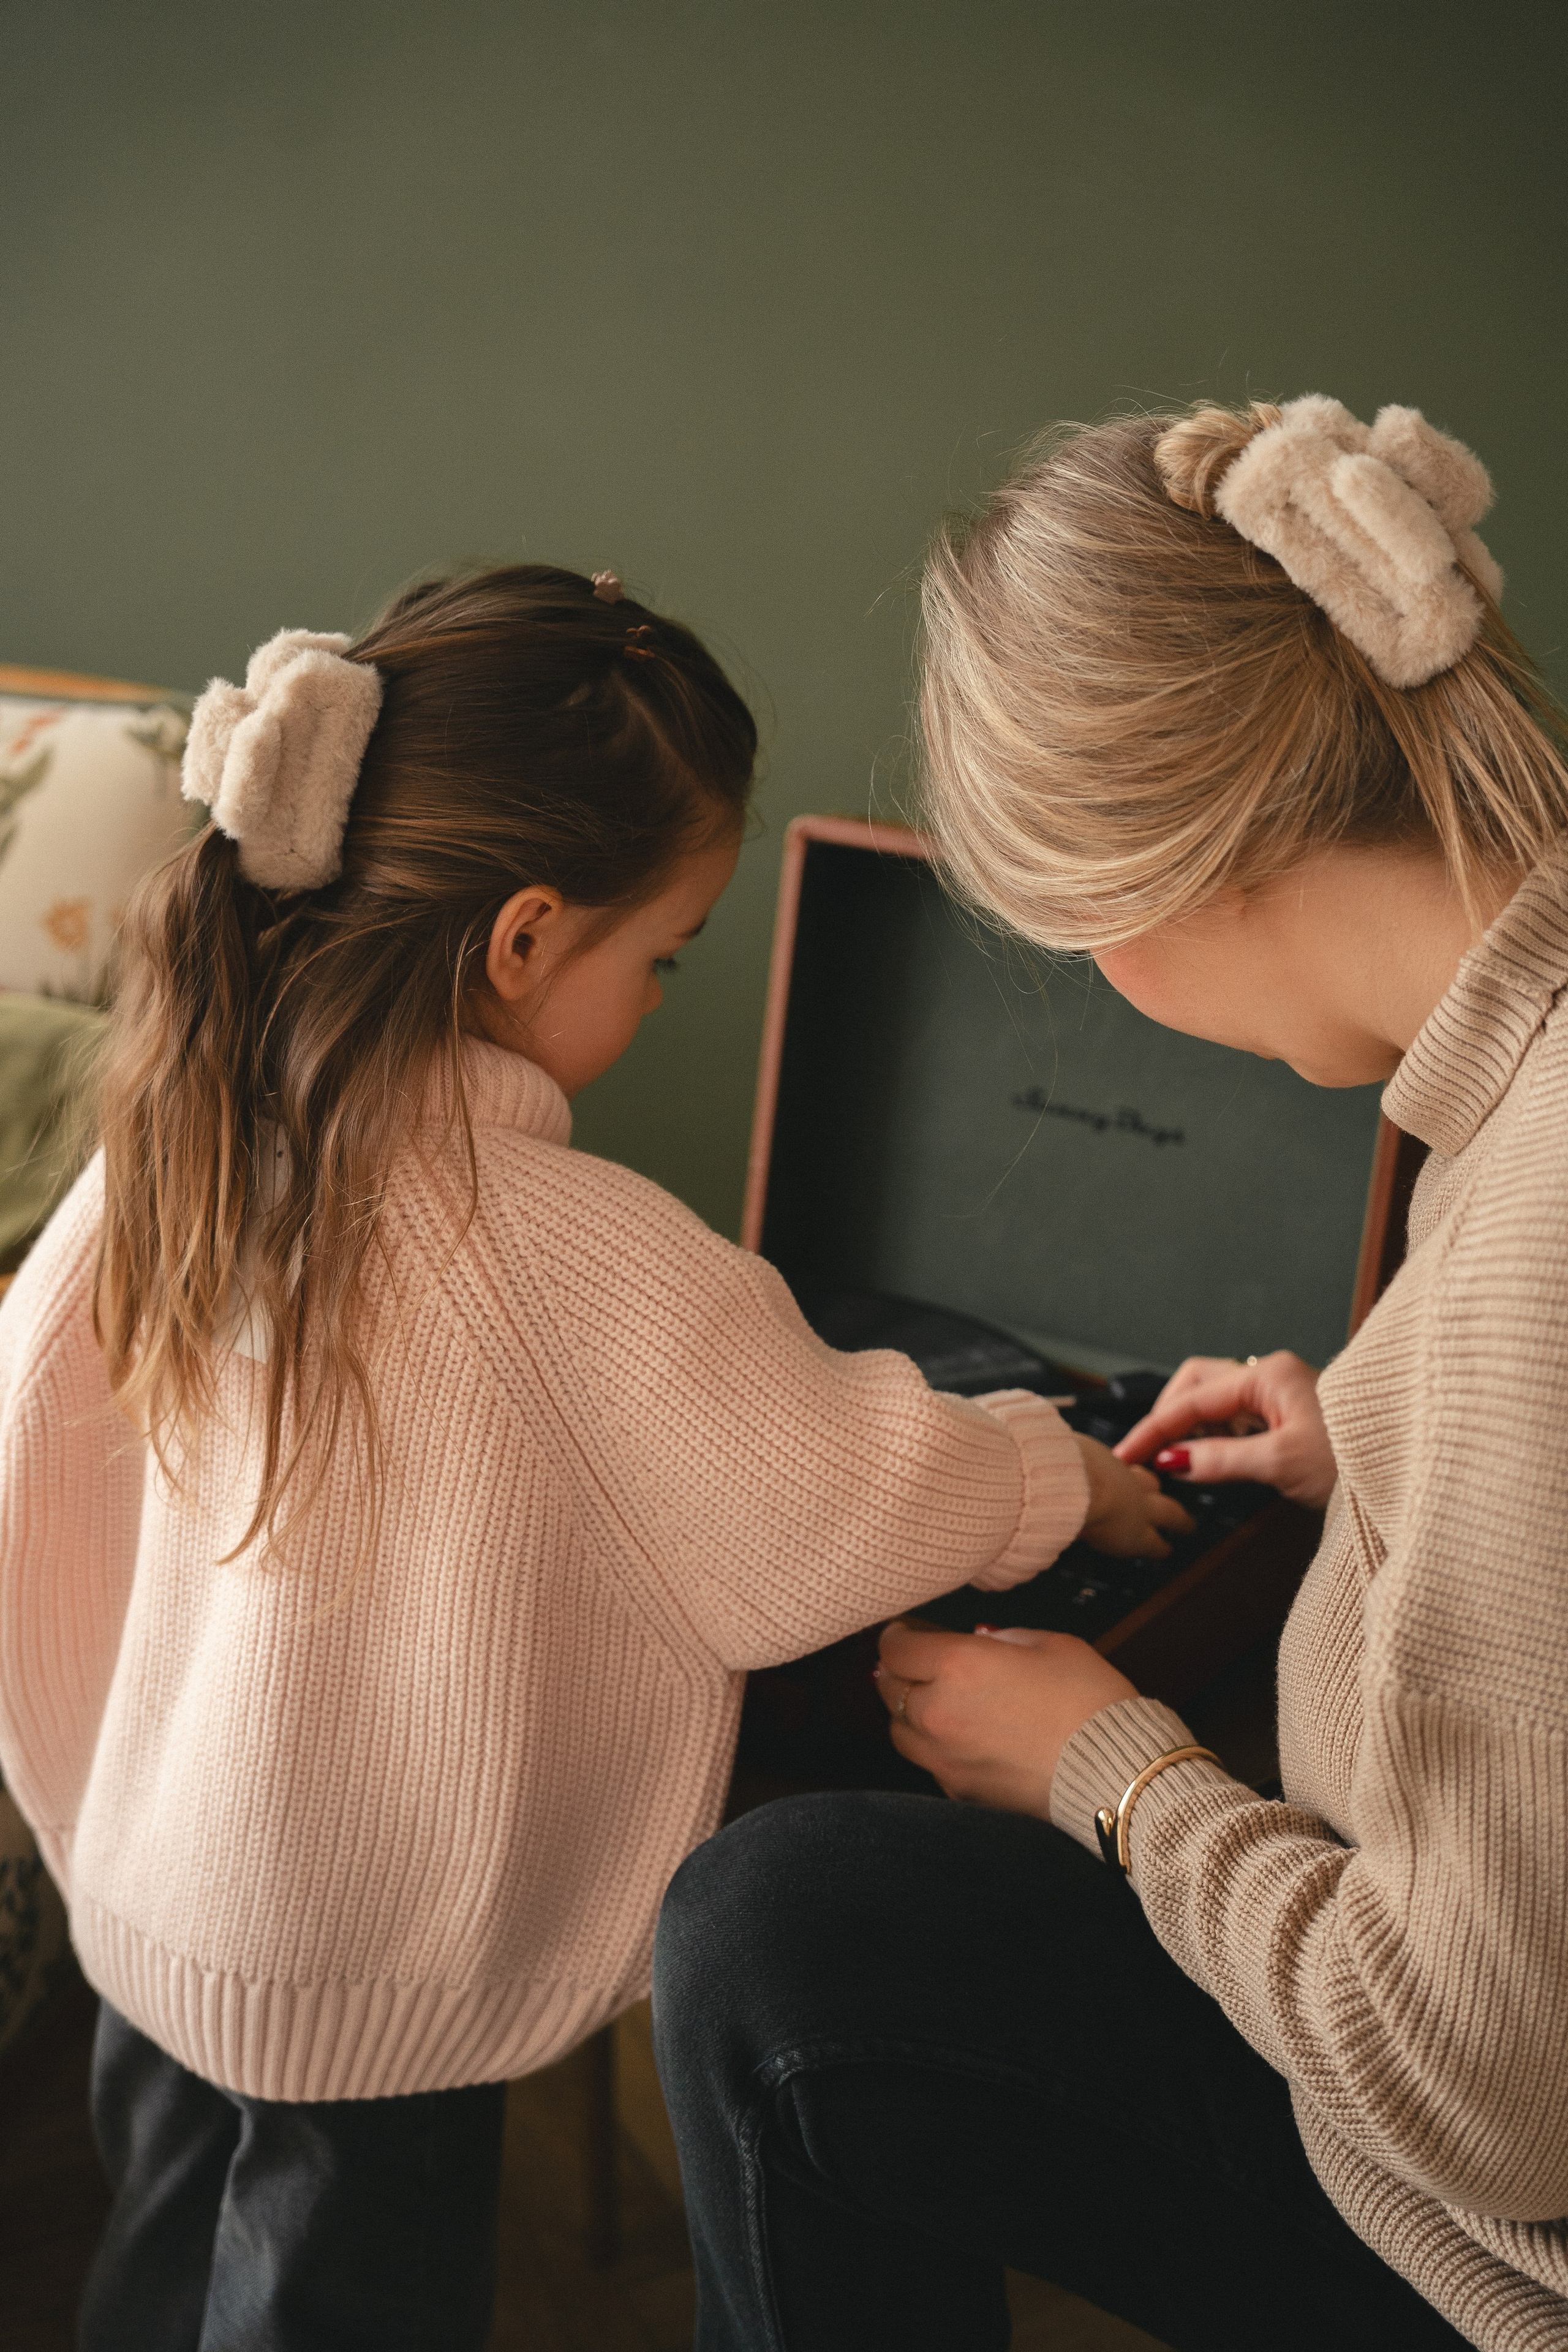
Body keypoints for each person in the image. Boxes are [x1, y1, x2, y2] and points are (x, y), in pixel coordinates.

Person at [0, 564, 1178, 2351]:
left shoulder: (173, 1134)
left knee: (162, 2275)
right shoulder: (568, 1245)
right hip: (368, 1965)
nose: (656, 998)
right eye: (664, 957)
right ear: (528, 937)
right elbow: (826, 1496)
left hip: (151, 1888)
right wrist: (1050, 1470)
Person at [652, 399, 1568, 2351]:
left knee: (768, 1929)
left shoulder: (1537, 1253)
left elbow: (1485, 2099)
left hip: (1493, 2245)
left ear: (1134, 892)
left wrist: (1112, 1774)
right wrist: (1378, 1446)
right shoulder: (1524, 1050)